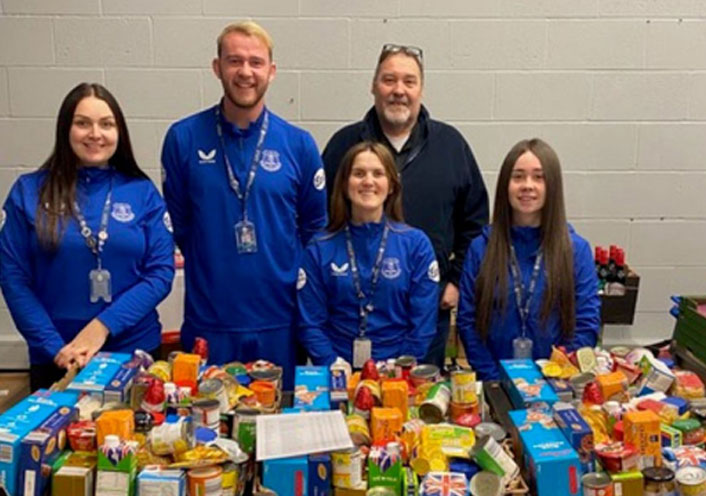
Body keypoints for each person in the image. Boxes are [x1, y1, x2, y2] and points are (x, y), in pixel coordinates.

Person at [162, 21, 326, 383]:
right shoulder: (183, 138)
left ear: (271, 70)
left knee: (279, 429)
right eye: (234, 61)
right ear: (217, 67)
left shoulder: (299, 144)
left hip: (280, 322)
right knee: (207, 431)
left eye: (255, 62)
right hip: (210, 322)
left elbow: (314, 232)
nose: (245, 72)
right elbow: (180, 225)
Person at [0, 83, 174, 390]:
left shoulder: (142, 192)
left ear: (119, 132)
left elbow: (160, 274)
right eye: (83, 123)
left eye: (106, 124)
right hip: (56, 358)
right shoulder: (28, 192)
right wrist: (56, 348)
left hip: (133, 353)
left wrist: (102, 327)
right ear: (65, 129)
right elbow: (14, 280)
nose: (95, 134)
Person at [322, 44, 488, 368]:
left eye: (409, 82)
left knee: (413, 412)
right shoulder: (343, 146)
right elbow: (319, 221)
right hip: (347, 318)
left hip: (426, 316)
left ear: (421, 90)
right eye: (389, 80)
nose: (399, 90)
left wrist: (455, 280)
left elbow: (476, 223)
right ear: (373, 86)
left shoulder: (451, 146)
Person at [457, 139, 600, 380]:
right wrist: (494, 378)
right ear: (505, 185)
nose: (527, 186)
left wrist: (554, 375)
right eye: (518, 177)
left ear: (552, 185)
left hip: (555, 384)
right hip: (494, 382)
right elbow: (468, 322)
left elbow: (585, 324)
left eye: (538, 177)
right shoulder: (481, 248)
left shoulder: (576, 250)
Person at [298, 142, 440, 367]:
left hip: (397, 370)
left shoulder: (416, 245)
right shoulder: (319, 247)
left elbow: (423, 322)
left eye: (378, 174)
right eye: (358, 174)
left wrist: (399, 366)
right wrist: (331, 364)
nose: (368, 181)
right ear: (345, 184)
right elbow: (310, 322)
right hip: (336, 369)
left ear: (391, 185)